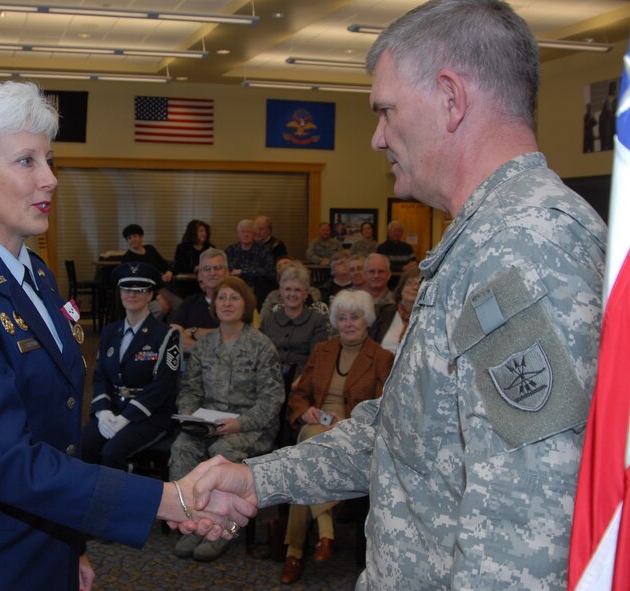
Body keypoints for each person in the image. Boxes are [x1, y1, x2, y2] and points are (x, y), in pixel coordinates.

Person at [186, 1, 607, 588]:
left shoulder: (523, 246)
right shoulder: (482, 241)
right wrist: (260, 479)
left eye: (385, 110)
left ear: (451, 98)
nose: (378, 137)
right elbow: (403, 433)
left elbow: (530, 520)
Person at [0, 80, 250, 591]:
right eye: (26, 161)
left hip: (40, 538)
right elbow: (6, 458)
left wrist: (69, 544)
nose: (50, 179)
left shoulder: (36, 274)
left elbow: (56, 430)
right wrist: (172, 499)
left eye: (48, 160)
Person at [279, 290, 394, 585]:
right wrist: (305, 412)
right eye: (342, 318)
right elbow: (300, 394)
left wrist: (352, 422)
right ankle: (325, 531)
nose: (348, 323)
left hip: (353, 431)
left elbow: (385, 408)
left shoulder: (382, 358)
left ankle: (294, 551)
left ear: (366, 320)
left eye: (354, 317)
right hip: (316, 426)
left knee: (302, 462)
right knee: (310, 443)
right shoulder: (323, 350)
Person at [170, 276, 284, 562]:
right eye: (222, 297)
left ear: (246, 304)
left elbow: (272, 400)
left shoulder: (261, 345)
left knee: (224, 453)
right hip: (208, 423)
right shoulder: (205, 344)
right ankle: (194, 522)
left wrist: (238, 424)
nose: (227, 303)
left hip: (251, 425)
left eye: (234, 297)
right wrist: (190, 417)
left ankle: (223, 528)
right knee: (182, 447)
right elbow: (190, 389)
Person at [81, 262, 180, 471]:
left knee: (112, 453)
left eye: (140, 290)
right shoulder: (109, 332)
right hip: (114, 408)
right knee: (83, 446)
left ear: (150, 295)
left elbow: (164, 385)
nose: (132, 295)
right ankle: (91, 500)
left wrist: (126, 418)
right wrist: (102, 411)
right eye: (127, 289)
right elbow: (101, 377)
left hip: (150, 414)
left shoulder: (166, 335)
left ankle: (120, 501)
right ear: (120, 292)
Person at [259, 261, 330, 376]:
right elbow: (260, 356)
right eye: (287, 289)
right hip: (269, 381)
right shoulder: (268, 319)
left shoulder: (317, 321)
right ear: (281, 292)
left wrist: (297, 384)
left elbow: (317, 361)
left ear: (306, 294)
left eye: (297, 290)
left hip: (303, 382)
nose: (292, 294)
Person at [170, 248, 229, 355]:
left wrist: (194, 332)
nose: (212, 272)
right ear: (200, 275)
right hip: (189, 368)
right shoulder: (190, 302)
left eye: (218, 268)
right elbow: (173, 336)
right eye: (206, 268)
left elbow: (234, 338)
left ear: (227, 273)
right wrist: (201, 348)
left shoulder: (237, 303)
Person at [120, 223, 179, 320]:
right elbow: (136, 284)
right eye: (129, 238)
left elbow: (165, 265)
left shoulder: (150, 249)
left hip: (160, 288)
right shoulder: (127, 259)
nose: (133, 239)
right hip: (143, 292)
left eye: (135, 236)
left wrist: (169, 272)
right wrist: (158, 297)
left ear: (141, 237)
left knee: (180, 306)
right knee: (160, 308)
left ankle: (169, 331)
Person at [225, 219, 276, 309]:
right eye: (243, 232)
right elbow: (225, 269)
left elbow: (270, 271)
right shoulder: (231, 250)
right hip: (234, 289)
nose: (246, 234)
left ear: (254, 234)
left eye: (249, 232)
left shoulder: (263, 250)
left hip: (257, 291)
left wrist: (243, 272)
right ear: (238, 234)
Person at [369, 267, 421, 353]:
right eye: (410, 283)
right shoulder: (380, 313)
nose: (415, 287)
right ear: (401, 288)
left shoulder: (429, 320)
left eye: (420, 284)